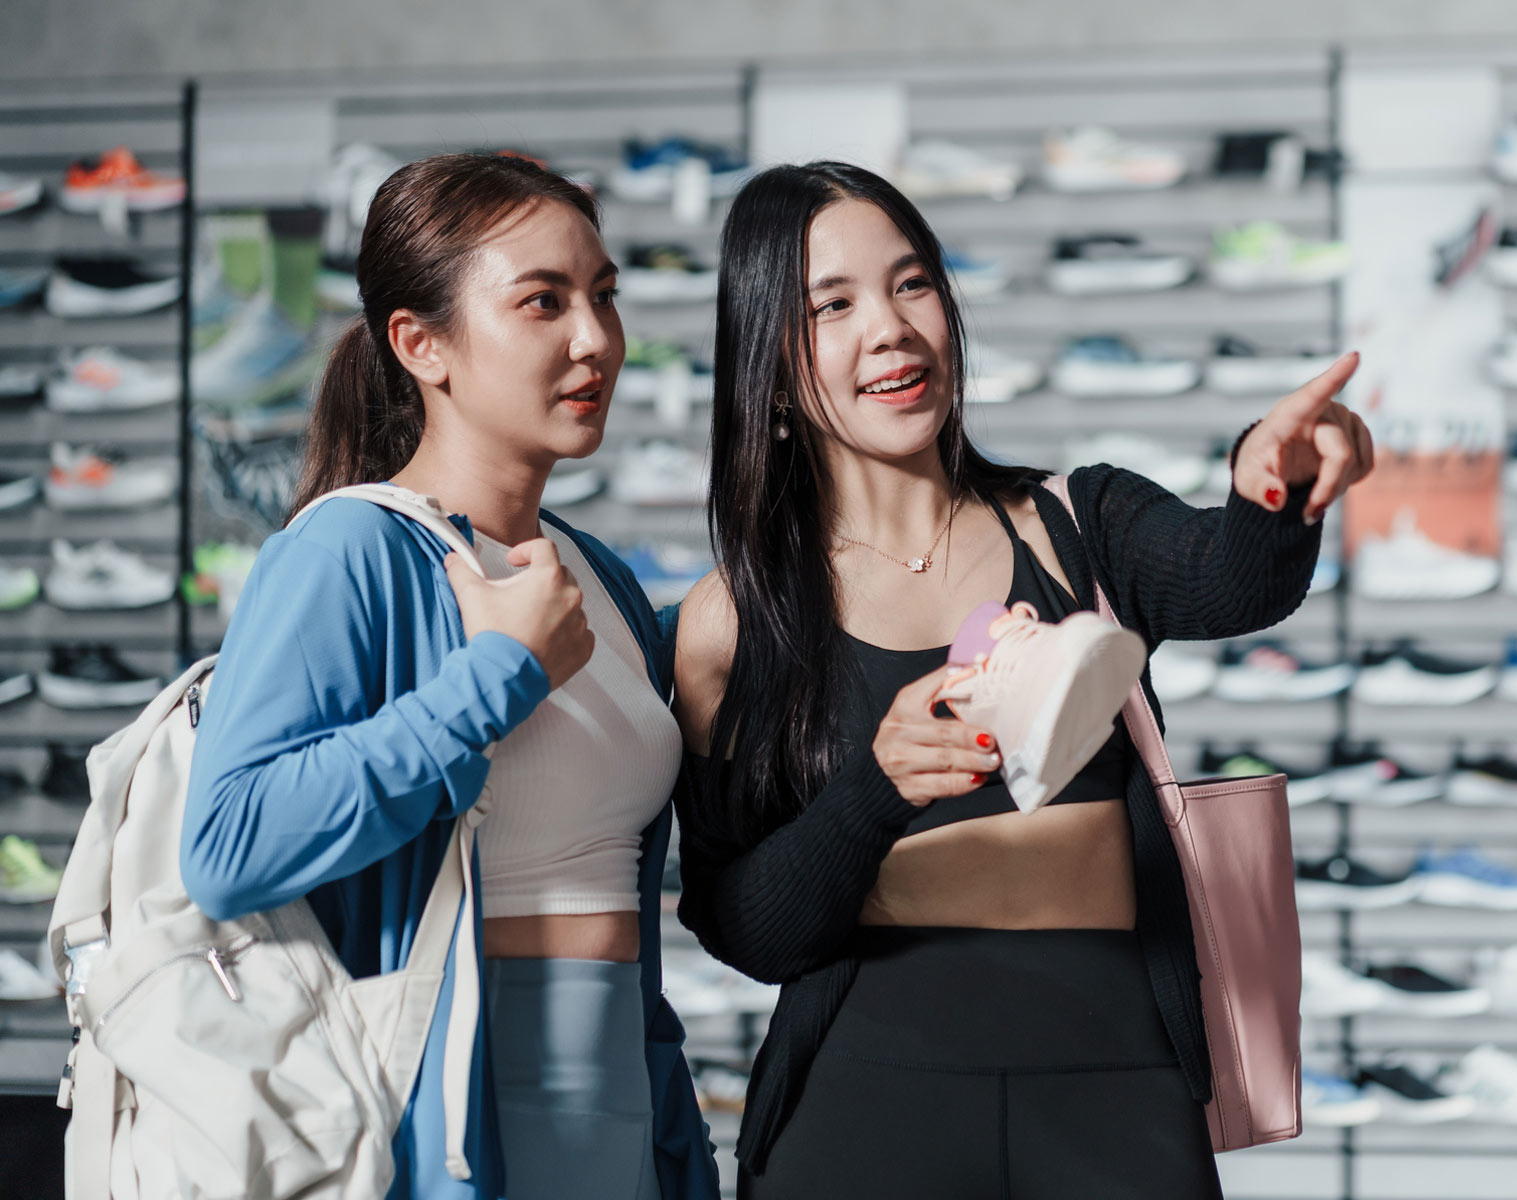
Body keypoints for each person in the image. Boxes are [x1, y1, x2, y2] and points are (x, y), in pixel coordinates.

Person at [672, 161, 1374, 1197]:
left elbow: (1230, 585)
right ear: (770, 364)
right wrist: (880, 786)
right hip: (868, 1093)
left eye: (913, 284)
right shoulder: (731, 621)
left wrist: (1275, 492)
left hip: (1119, 1086)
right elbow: (748, 931)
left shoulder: (1079, 523)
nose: (891, 328)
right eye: (834, 304)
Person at [181, 153, 718, 1200]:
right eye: (543, 302)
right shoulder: (348, 552)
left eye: (604, 295)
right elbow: (228, 844)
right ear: (420, 344)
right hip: (446, 1138)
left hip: (619, 1128)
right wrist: (497, 678)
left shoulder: (593, 576)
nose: (594, 339)